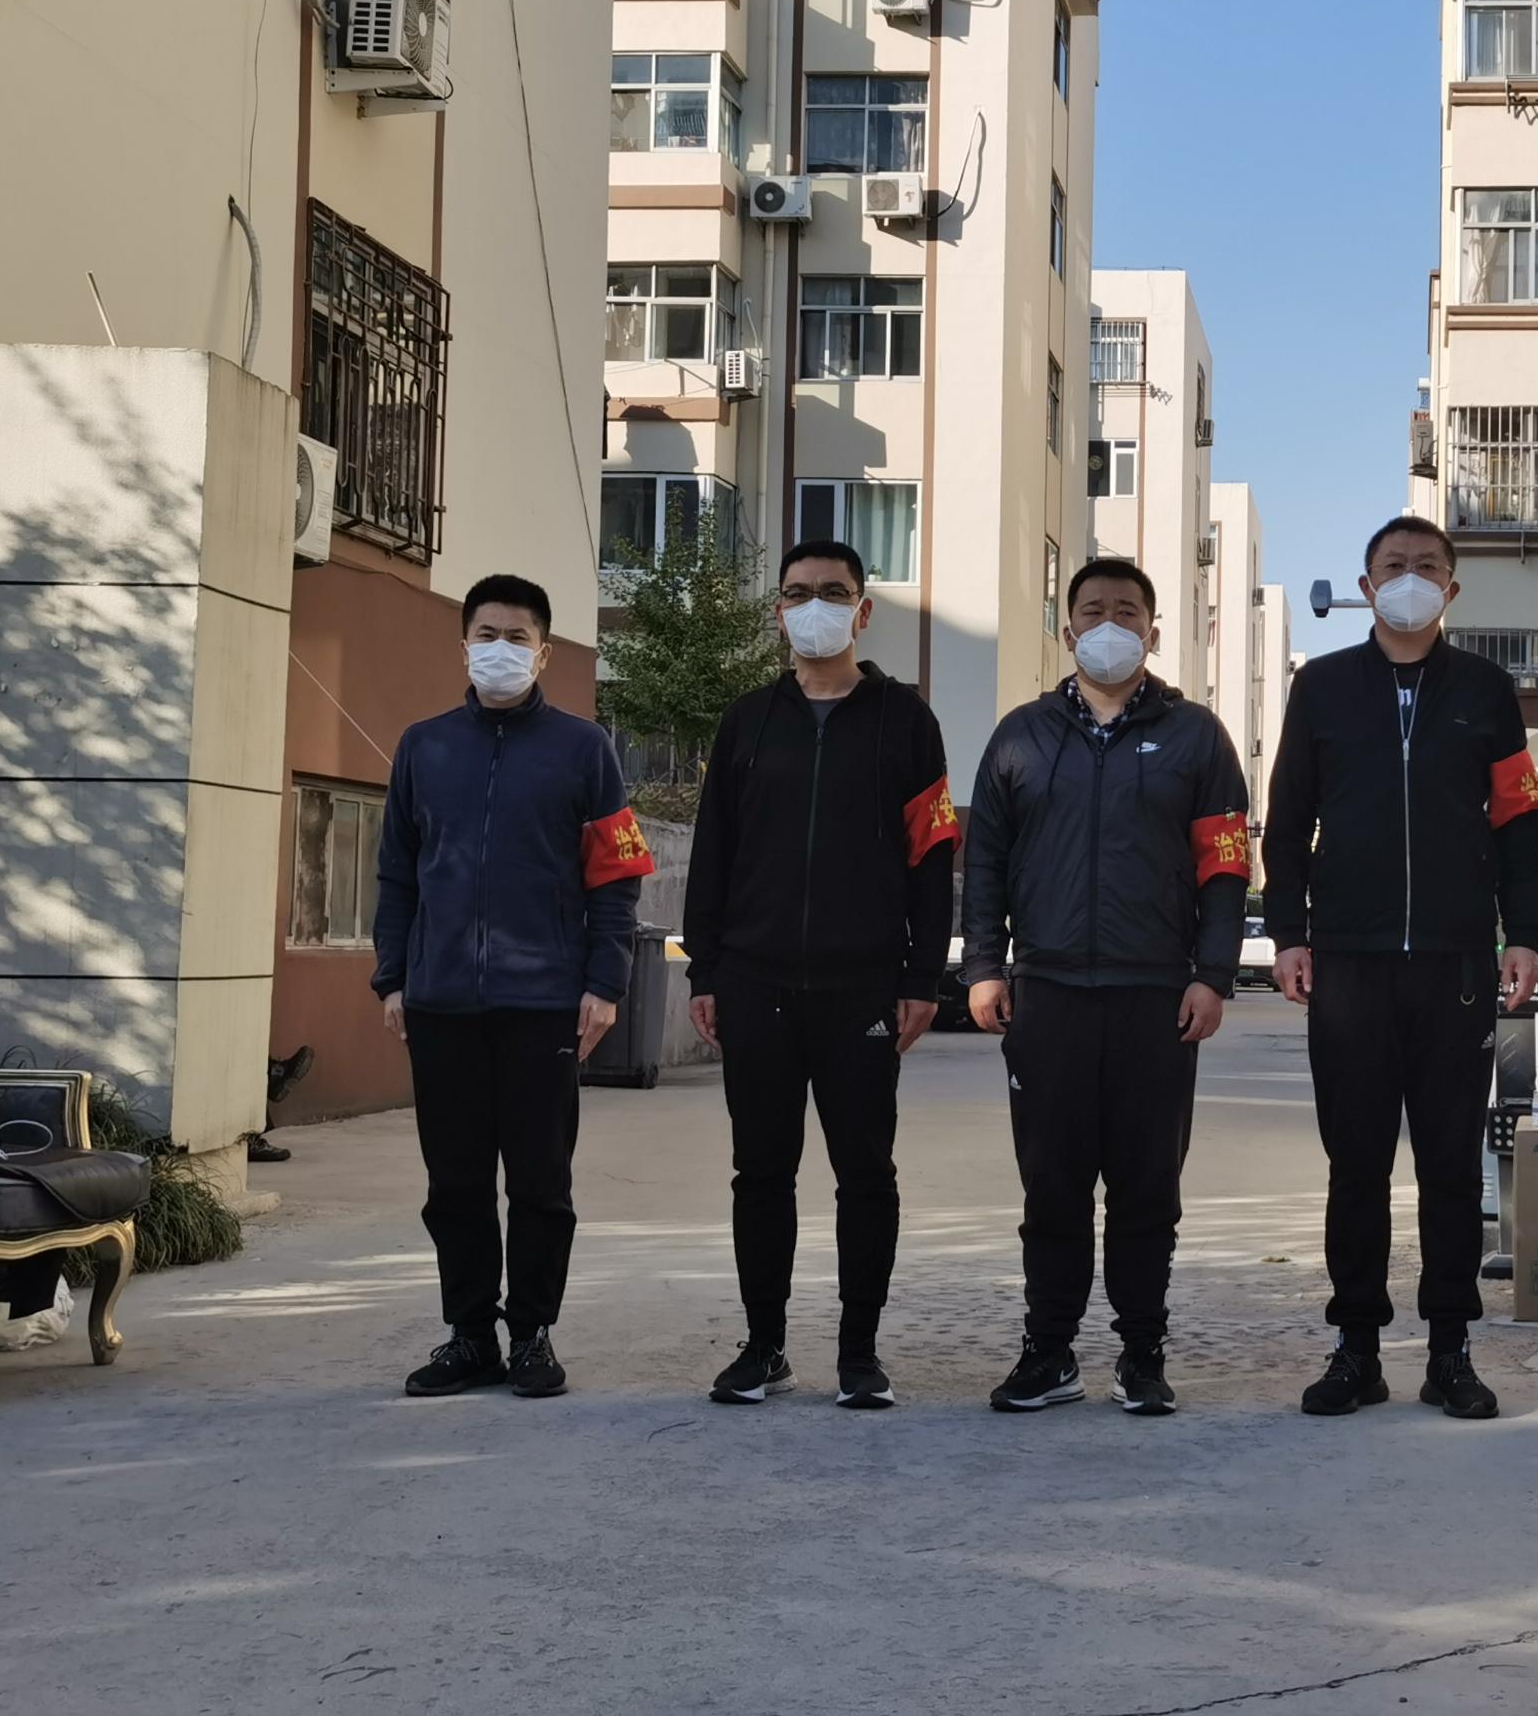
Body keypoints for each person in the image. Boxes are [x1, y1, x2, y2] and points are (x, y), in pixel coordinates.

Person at [1263, 515, 1538, 1422]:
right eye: (1394, 566)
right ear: (1367, 584)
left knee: (1450, 1168)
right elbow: (1288, 819)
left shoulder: (1486, 690)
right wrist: (1289, 933)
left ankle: (1450, 1349)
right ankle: (1355, 1347)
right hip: (1348, 960)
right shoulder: (1322, 687)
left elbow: (1518, 821)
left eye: (1428, 566)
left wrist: (1524, 934)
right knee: (1355, 1165)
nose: (1410, 578)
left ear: (1451, 588)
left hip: (1455, 961)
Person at [961, 557, 1250, 1418]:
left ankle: (1142, 1354)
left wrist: (1213, 975)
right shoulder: (1020, 736)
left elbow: (1226, 868)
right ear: (1068, 629)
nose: (1110, 624)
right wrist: (984, 966)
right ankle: (1048, 1351)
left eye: (1127, 611)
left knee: (1146, 1186)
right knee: (1051, 1184)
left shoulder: (1197, 737)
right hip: (1046, 992)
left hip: (1154, 996)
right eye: (1093, 610)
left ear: (1153, 632)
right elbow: (986, 863)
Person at [682, 540, 957, 1409]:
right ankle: (763, 1346)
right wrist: (704, 972)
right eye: (798, 593)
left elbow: (932, 857)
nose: (815, 607)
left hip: (862, 988)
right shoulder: (746, 721)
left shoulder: (906, 722)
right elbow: (714, 854)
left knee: (865, 1173)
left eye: (833, 593)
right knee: (760, 1173)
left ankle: (859, 1352)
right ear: (778, 612)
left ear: (862, 611)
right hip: (755, 982)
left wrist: (923, 976)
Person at [372, 574, 652, 1400]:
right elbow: (397, 875)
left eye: (517, 637)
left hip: (544, 1005)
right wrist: (393, 976)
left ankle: (531, 1335)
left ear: (544, 652)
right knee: (454, 1185)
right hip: (441, 1004)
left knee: (539, 1182)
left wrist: (605, 982)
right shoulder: (424, 747)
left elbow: (617, 877)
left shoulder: (584, 750)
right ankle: (470, 1336)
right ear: (464, 645)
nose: (500, 649)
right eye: (486, 635)